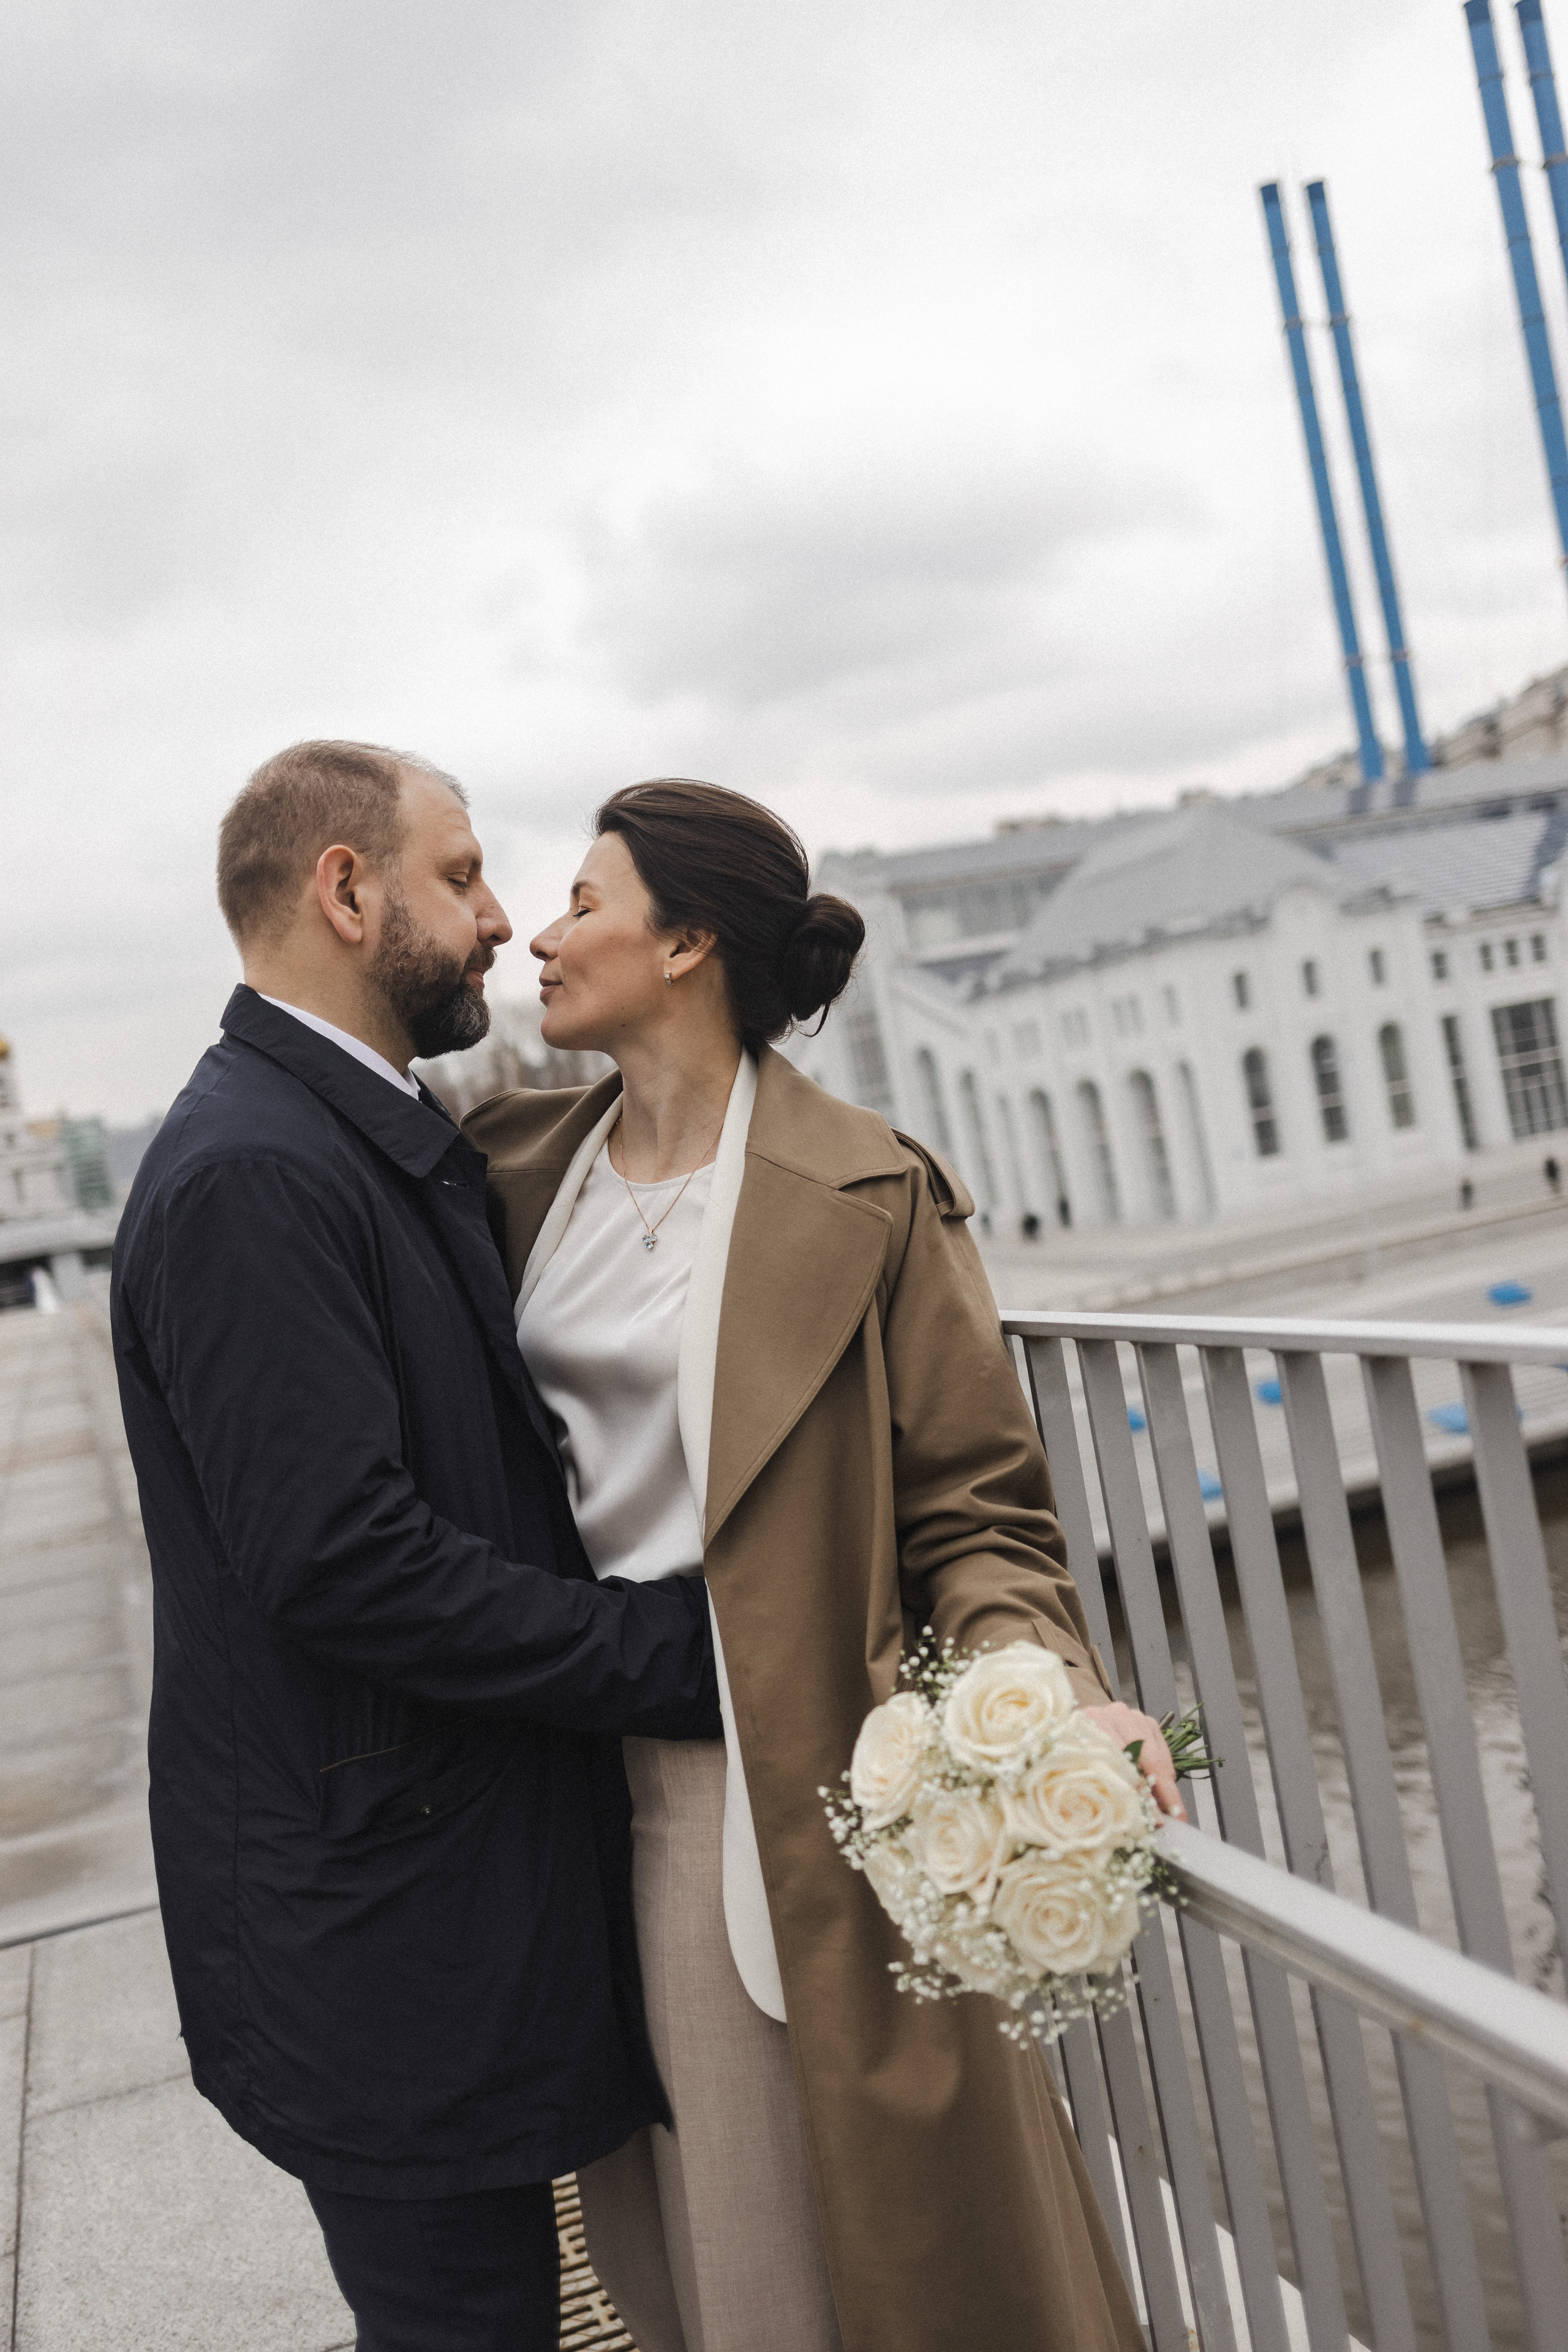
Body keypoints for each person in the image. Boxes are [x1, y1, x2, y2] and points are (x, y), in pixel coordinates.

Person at [462, 778, 1176, 2352]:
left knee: (786, 2254)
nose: (543, 933)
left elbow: (975, 1504)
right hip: (558, 1772)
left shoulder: (871, 1188)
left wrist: (1053, 1690)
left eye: (586, 900)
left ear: (689, 941)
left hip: (763, 1779)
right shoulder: (516, 1172)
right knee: (657, 2254)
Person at [111, 742, 722, 2352]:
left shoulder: (327, 1134)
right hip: (384, 1943)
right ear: (345, 887)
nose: (500, 918)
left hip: (411, 1899)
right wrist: (678, 1655)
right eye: (462, 876)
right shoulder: (256, 1170)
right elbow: (345, 1559)